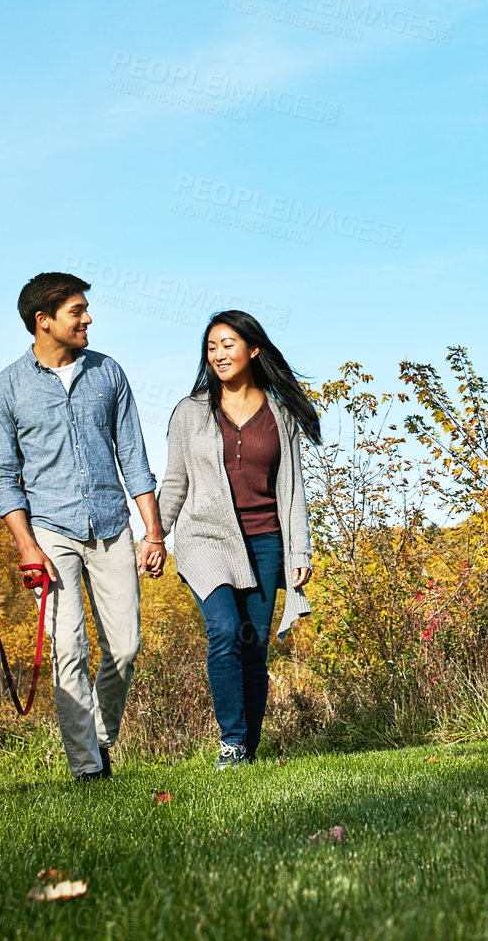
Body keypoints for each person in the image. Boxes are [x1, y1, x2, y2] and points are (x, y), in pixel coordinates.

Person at [0, 272, 166, 781]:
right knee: (68, 651)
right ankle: (87, 769)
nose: (88, 319)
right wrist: (26, 546)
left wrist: (153, 532)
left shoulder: (109, 374)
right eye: (77, 311)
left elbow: (133, 455)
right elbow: (2, 476)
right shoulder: (4, 390)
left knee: (125, 648)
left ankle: (101, 739)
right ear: (43, 322)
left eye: (86, 310)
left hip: (111, 527)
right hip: (51, 533)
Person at [159, 310, 320, 768]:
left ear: (252, 349)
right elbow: (174, 483)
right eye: (211, 347)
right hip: (206, 538)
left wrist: (298, 549)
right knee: (226, 631)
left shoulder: (280, 413)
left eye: (228, 344)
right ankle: (231, 742)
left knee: (254, 649)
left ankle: (246, 750)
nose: (218, 354)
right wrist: (154, 536)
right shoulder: (190, 413)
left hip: (266, 540)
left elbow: (291, 488)